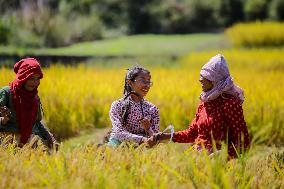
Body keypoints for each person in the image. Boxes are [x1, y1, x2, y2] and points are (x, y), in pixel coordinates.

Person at [155, 54, 250, 158]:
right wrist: (164, 136)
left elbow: (243, 142)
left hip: (221, 166)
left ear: (215, 80)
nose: (200, 79)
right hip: (199, 161)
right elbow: (192, 134)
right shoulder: (204, 104)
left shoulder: (230, 104)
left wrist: (219, 155)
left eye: (205, 76)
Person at [0, 58, 58, 149]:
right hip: (8, 145)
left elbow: (36, 123)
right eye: (31, 78)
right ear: (23, 77)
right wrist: (2, 120)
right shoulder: (6, 93)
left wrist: (50, 137)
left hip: (29, 146)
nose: (35, 82)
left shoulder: (34, 97)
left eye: (37, 78)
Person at [107, 65, 159, 147]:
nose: (147, 85)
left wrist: (148, 129)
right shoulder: (118, 106)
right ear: (130, 83)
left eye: (148, 81)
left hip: (143, 146)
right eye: (143, 81)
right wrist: (142, 139)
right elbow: (119, 132)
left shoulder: (152, 109)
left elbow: (155, 139)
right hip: (118, 144)